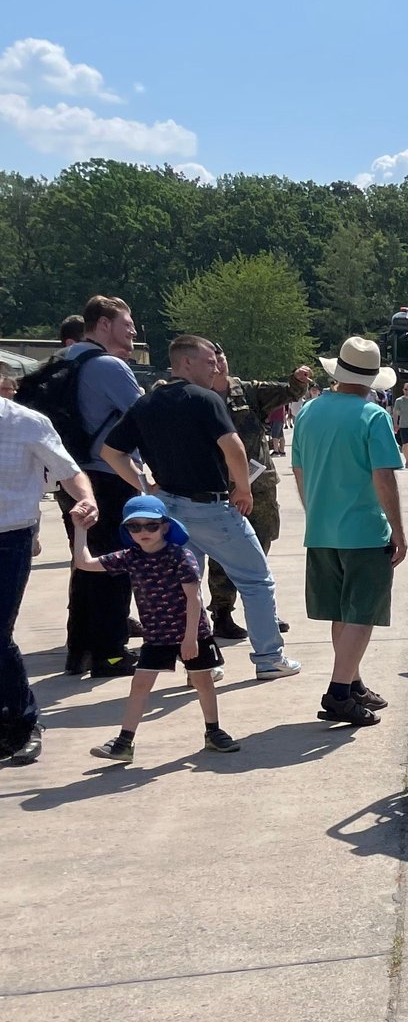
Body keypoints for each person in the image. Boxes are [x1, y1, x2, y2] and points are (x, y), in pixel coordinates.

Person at [100, 336, 301, 682]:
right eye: (209, 361)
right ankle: (269, 657)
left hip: (168, 508)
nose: (216, 367)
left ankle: (202, 662)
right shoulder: (205, 399)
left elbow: (111, 452)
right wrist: (243, 487)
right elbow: (233, 446)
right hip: (211, 507)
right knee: (255, 580)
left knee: (188, 586)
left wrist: (145, 485)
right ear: (186, 363)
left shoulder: (145, 404)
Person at [72, 495, 239, 762]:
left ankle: (214, 732)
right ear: (127, 531)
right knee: (140, 685)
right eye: (134, 527)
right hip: (156, 635)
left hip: (191, 633)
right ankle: (125, 741)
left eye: (150, 525)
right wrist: (80, 528)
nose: (143, 532)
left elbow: (194, 598)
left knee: (203, 682)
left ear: (164, 526)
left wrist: (190, 639)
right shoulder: (130, 557)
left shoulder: (179, 556)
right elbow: (84, 563)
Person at [296, 336, 407, 726]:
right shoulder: (372, 415)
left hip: (322, 528)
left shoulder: (308, 411)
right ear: (372, 379)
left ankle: (353, 680)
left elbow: (299, 469)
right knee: (363, 612)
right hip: (363, 529)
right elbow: (383, 477)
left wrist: (315, 510)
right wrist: (398, 530)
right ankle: (339, 692)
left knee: (341, 611)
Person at [3, 388, 99, 761]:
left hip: (9, 536)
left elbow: (69, 470)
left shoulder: (25, 422)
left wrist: (86, 499)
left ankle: (25, 723)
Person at [199, 348, 313, 641]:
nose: (219, 363)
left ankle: (263, 610)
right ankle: (222, 612)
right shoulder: (197, 397)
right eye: (212, 359)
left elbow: (288, 392)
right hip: (219, 484)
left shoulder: (247, 391)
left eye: (222, 357)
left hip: (258, 484)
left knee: (260, 546)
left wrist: (298, 378)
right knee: (223, 551)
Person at [58, 296, 145, 678]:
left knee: (85, 563)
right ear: (104, 325)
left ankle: (80, 651)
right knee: (114, 565)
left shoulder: (62, 360)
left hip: (70, 478)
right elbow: (145, 417)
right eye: (127, 324)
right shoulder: (109, 366)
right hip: (108, 477)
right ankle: (111, 653)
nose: (133, 332)